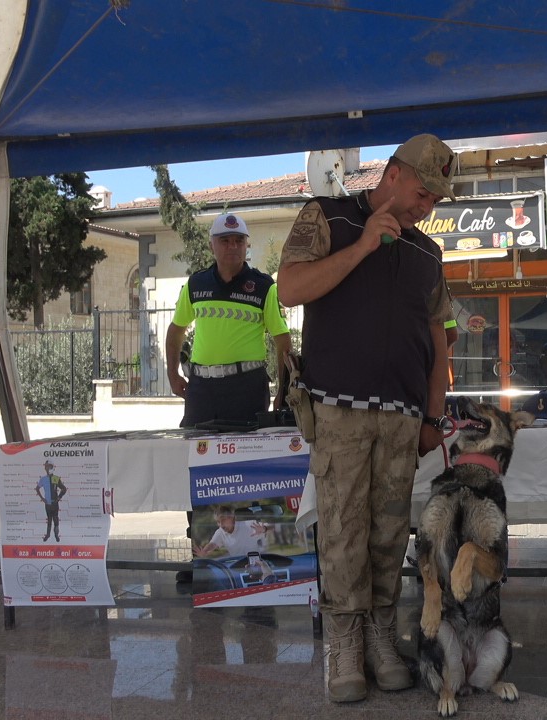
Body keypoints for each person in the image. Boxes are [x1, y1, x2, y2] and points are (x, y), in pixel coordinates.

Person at [277, 133, 455, 702]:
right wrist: (361, 249)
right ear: (394, 175)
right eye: (423, 193)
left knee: (387, 532)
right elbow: (289, 287)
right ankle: (344, 645)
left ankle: (381, 635)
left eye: (435, 202)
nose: (425, 208)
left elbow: (439, 342)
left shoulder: (429, 254)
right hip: (340, 411)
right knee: (343, 533)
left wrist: (434, 413)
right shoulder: (329, 216)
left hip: (403, 419)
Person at [165, 212, 292, 428]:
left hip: (247, 388)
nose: (232, 246)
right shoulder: (196, 284)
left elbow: (283, 341)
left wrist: (284, 390)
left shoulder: (264, 286)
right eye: (224, 240)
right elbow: (176, 330)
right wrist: (172, 374)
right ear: (211, 246)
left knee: (247, 459)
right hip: (201, 389)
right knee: (193, 454)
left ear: (246, 245)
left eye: (239, 240)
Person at [193, 505, 269, 558]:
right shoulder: (220, 532)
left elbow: (271, 526)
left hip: (257, 563)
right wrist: (205, 551)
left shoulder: (248, 524)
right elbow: (212, 544)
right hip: (238, 566)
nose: (221, 525)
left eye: (223, 520)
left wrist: (264, 528)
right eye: (218, 522)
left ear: (232, 517)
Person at [35, 461, 67, 542]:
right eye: (46, 467)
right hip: (48, 504)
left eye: (49, 467)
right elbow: (37, 488)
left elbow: (64, 489)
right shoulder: (43, 479)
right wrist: (42, 499)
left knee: (56, 520)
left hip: (55, 504)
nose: (47, 468)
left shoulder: (56, 478)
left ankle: (56, 535)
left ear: (52, 468)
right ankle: (48, 535)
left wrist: (59, 497)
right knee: (49, 520)